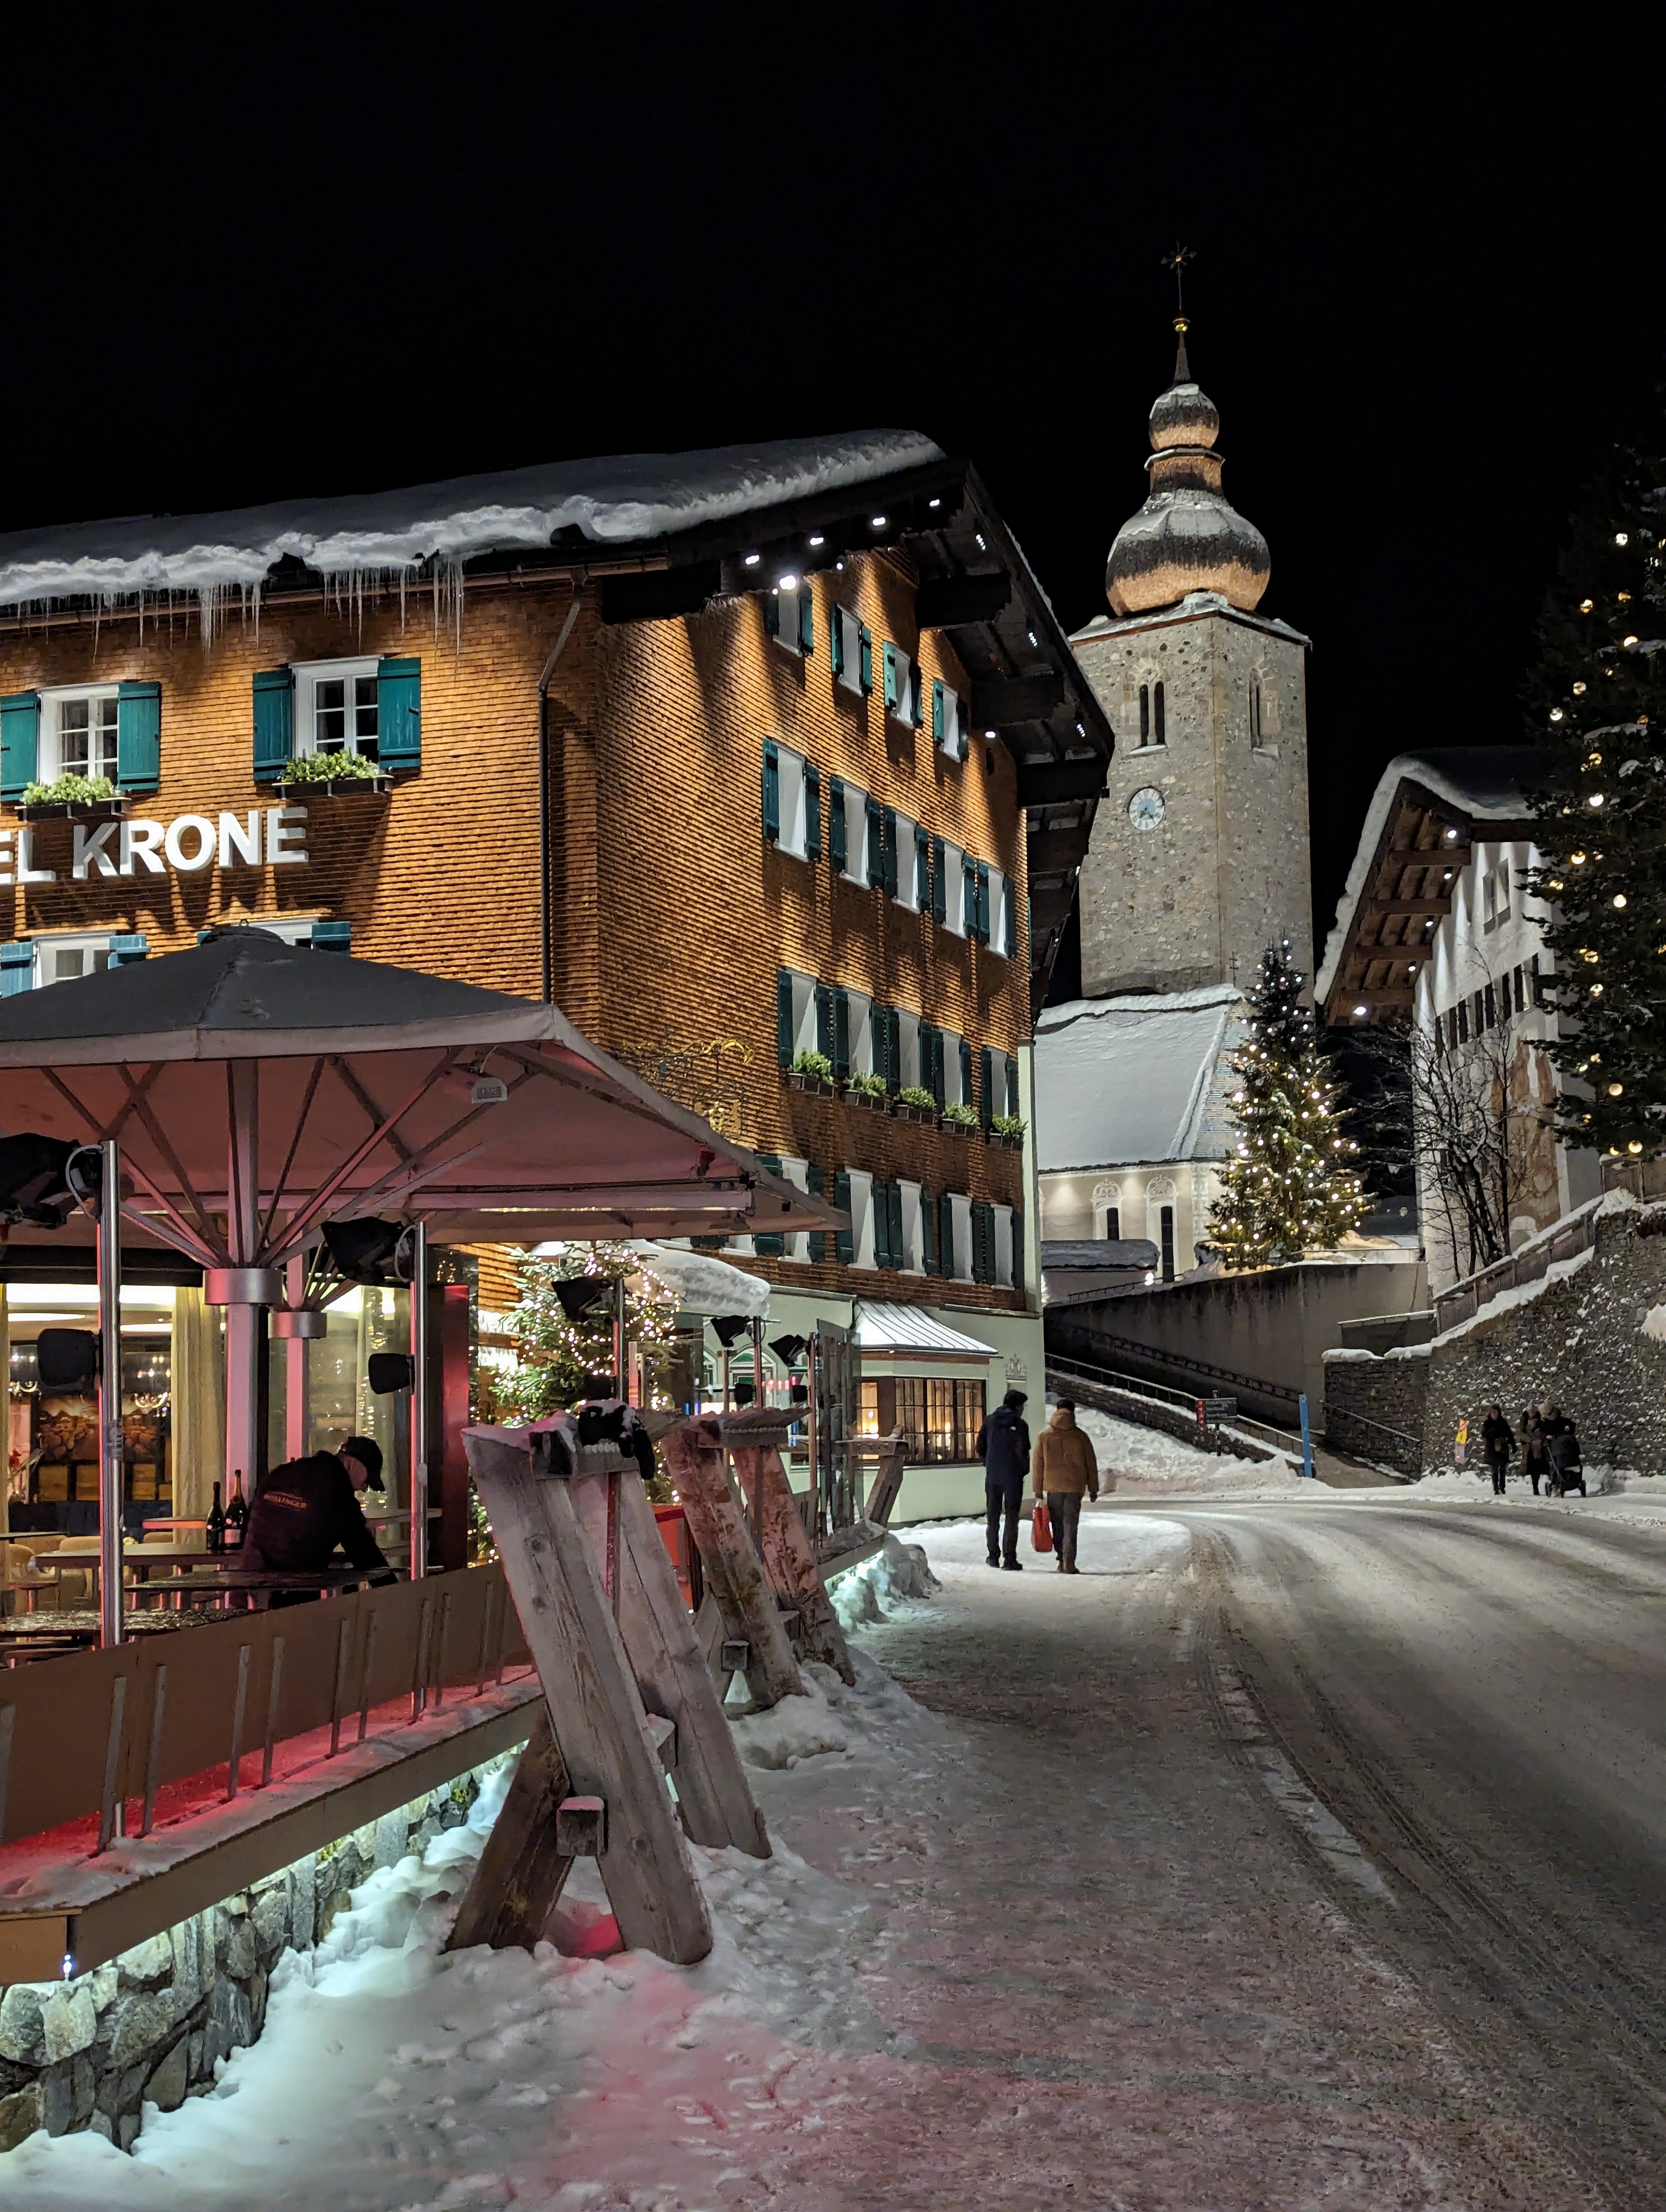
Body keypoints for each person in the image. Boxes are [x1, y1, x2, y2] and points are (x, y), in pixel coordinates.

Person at [242, 1435, 394, 1598]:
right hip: (296, 1586)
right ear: (350, 1464)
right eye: (368, 1479)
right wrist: (393, 1593)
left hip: (253, 1577)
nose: (366, 1488)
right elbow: (362, 1550)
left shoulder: (288, 1472)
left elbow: (253, 1518)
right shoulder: (337, 1490)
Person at [1033, 1400, 1099, 1574]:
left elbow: (1038, 1465)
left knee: (1057, 1525)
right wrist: (1093, 1488)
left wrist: (1038, 1490)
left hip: (1053, 1487)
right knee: (1071, 1524)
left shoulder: (1045, 1436)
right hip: (1074, 1487)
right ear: (1072, 1413)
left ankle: (1061, 1558)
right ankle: (1069, 1562)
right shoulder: (1080, 1436)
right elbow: (1091, 1463)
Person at [977, 1389, 1031, 1570]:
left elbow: (980, 1446)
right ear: (1017, 1406)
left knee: (993, 1517)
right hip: (1013, 1477)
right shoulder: (1020, 1425)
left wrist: (989, 1462)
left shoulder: (989, 1421)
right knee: (1012, 1517)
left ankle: (993, 1556)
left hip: (993, 1476)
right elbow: (1024, 1449)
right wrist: (1023, 1469)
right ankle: (1009, 1558)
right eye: (1022, 1406)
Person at [1543, 1406, 1586, 1497]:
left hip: (1560, 1450)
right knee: (1558, 1463)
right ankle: (1566, 1481)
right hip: (1562, 1450)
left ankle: (1557, 1482)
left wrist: (1548, 1436)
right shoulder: (1558, 1422)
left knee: (1557, 1465)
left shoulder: (1554, 1423)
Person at [1480, 1405, 1514, 1496]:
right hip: (1492, 1449)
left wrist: (1513, 1445)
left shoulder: (1503, 1423)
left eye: (1496, 1413)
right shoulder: (1487, 1424)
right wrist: (1492, 1435)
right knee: (1494, 1470)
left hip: (1503, 1449)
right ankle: (1496, 1488)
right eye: (1493, 1413)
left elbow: (1510, 1434)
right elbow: (1484, 1435)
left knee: (1503, 1469)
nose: (1494, 1415)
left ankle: (1502, 1487)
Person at [1521, 1404, 1549, 1496]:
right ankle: (1535, 1488)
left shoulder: (1540, 1420)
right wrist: (1529, 1440)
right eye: (1530, 1412)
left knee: (1544, 1467)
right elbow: (1521, 1432)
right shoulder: (1524, 1420)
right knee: (1533, 1470)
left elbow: (1544, 1429)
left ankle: (1550, 1486)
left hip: (1541, 1448)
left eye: (1533, 1412)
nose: (1532, 1414)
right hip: (1530, 1449)